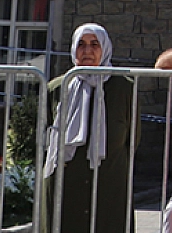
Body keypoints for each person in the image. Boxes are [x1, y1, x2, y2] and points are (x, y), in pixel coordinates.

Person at [41, 24, 136, 233]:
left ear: (105, 48)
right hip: (66, 185)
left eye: (94, 44)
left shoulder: (124, 88)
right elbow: (44, 136)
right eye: (81, 45)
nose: (87, 51)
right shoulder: (58, 87)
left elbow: (133, 139)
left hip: (109, 185)